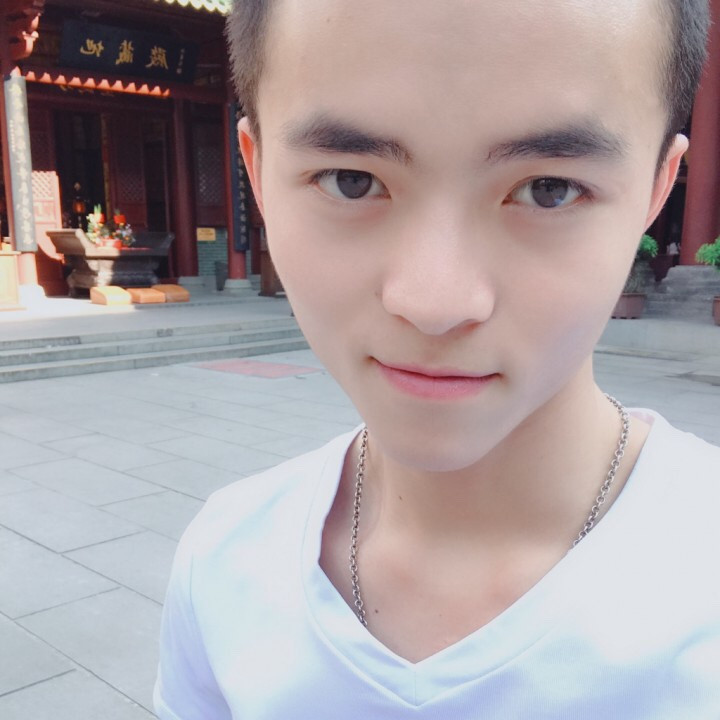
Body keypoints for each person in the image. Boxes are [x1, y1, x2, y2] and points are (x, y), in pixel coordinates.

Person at [155, 1, 720, 717]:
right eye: (350, 179)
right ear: (259, 173)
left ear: (657, 188)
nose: (435, 303)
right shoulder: (224, 561)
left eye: (548, 190)